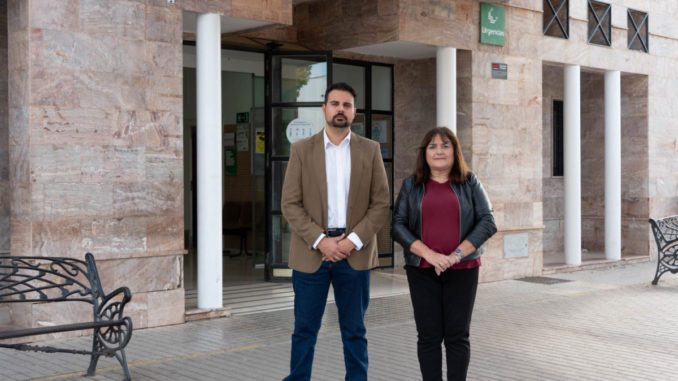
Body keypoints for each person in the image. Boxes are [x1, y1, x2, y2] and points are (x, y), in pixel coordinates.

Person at [281, 82, 390, 381]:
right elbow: (290, 204)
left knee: (355, 330)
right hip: (310, 252)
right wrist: (321, 241)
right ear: (324, 109)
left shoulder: (370, 150)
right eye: (335, 103)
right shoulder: (302, 150)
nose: (340, 109)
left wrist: (352, 242)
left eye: (347, 105)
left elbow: (381, 204)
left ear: (354, 112)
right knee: (304, 330)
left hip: (354, 254)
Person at [392, 127, 497, 381]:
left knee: (457, 336)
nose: (439, 151)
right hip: (422, 271)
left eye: (445, 145)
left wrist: (456, 255)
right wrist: (430, 254)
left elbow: (488, 221)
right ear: (425, 154)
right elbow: (397, 225)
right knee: (428, 336)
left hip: (463, 270)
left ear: (455, 151)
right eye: (433, 146)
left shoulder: (470, 182)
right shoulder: (411, 185)